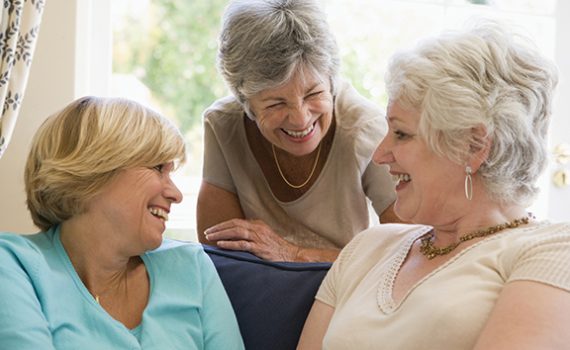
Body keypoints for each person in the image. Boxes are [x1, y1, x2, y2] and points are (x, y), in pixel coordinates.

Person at [298, 20, 570, 349]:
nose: (380, 154)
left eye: (401, 133)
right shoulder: (366, 248)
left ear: (473, 145)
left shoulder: (553, 251)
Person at [0, 97, 244, 349]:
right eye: (159, 168)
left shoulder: (191, 266)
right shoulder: (15, 266)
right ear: (93, 170)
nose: (176, 194)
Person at [197, 0, 399, 263]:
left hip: (344, 286)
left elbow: (406, 254)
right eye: (276, 103)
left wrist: (295, 255)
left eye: (313, 93)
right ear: (245, 100)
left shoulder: (366, 128)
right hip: (259, 285)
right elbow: (221, 256)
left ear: (330, 79)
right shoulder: (223, 124)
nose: (301, 119)